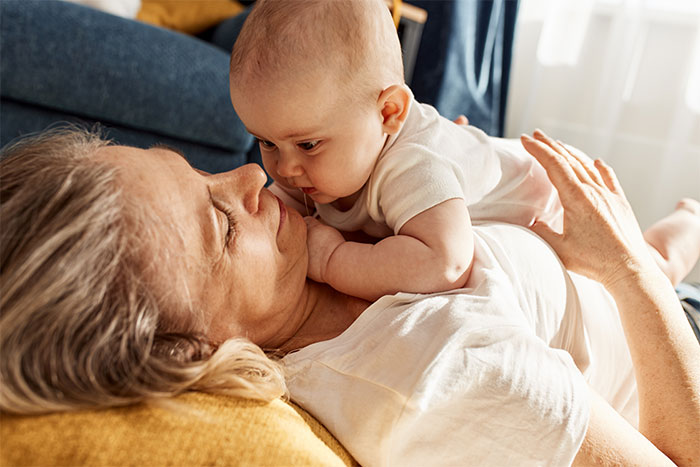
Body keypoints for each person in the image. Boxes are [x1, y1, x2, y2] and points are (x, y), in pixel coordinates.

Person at [1, 126, 699, 465]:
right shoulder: (432, 370)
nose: (250, 175)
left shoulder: (314, 245)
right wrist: (633, 269)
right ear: (192, 349)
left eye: (198, 172)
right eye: (219, 225)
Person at [228, 0, 696, 301]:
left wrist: (335, 261)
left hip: (554, 198)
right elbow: (284, 219)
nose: (284, 167)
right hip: (480, 160)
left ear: (389, 113)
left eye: (308, 144)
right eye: (266, 142)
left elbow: (445, 262)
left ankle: (687, 226)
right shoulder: (320, 155)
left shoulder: (412, 166)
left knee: (647, 273)